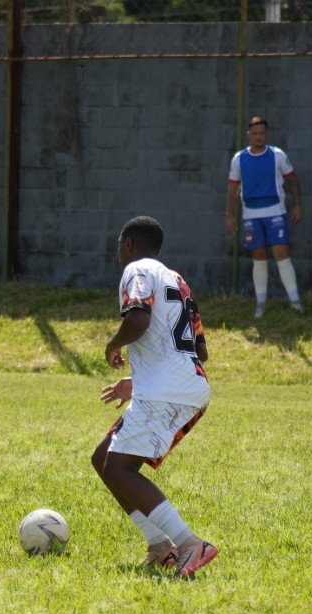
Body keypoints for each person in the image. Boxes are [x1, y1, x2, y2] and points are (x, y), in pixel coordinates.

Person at [91, 215, 218, 578]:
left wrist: (112, 344)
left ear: (128, 244)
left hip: (169, 389)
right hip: (185, 384)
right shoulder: (177, 280)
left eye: (119, 245)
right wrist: (141, 378)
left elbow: (138, 320)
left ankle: (190, 544)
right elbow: (200, 350)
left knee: (119, 468)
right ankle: (160, 546)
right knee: (103, 458)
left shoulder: (137, 271)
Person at [226, 116, 304, 319]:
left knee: (281, 254)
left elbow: (292, 179)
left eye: (262, 133)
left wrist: (297, 204)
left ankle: (295, 302)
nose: (258, 137)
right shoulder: (239, 158)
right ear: (248, 135)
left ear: (266, 135)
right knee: (258, 257)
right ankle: (260, 304)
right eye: (255, 134)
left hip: (275, 212)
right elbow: (232, 188)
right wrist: (229, 215)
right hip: (251, 215)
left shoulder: (277, 155)